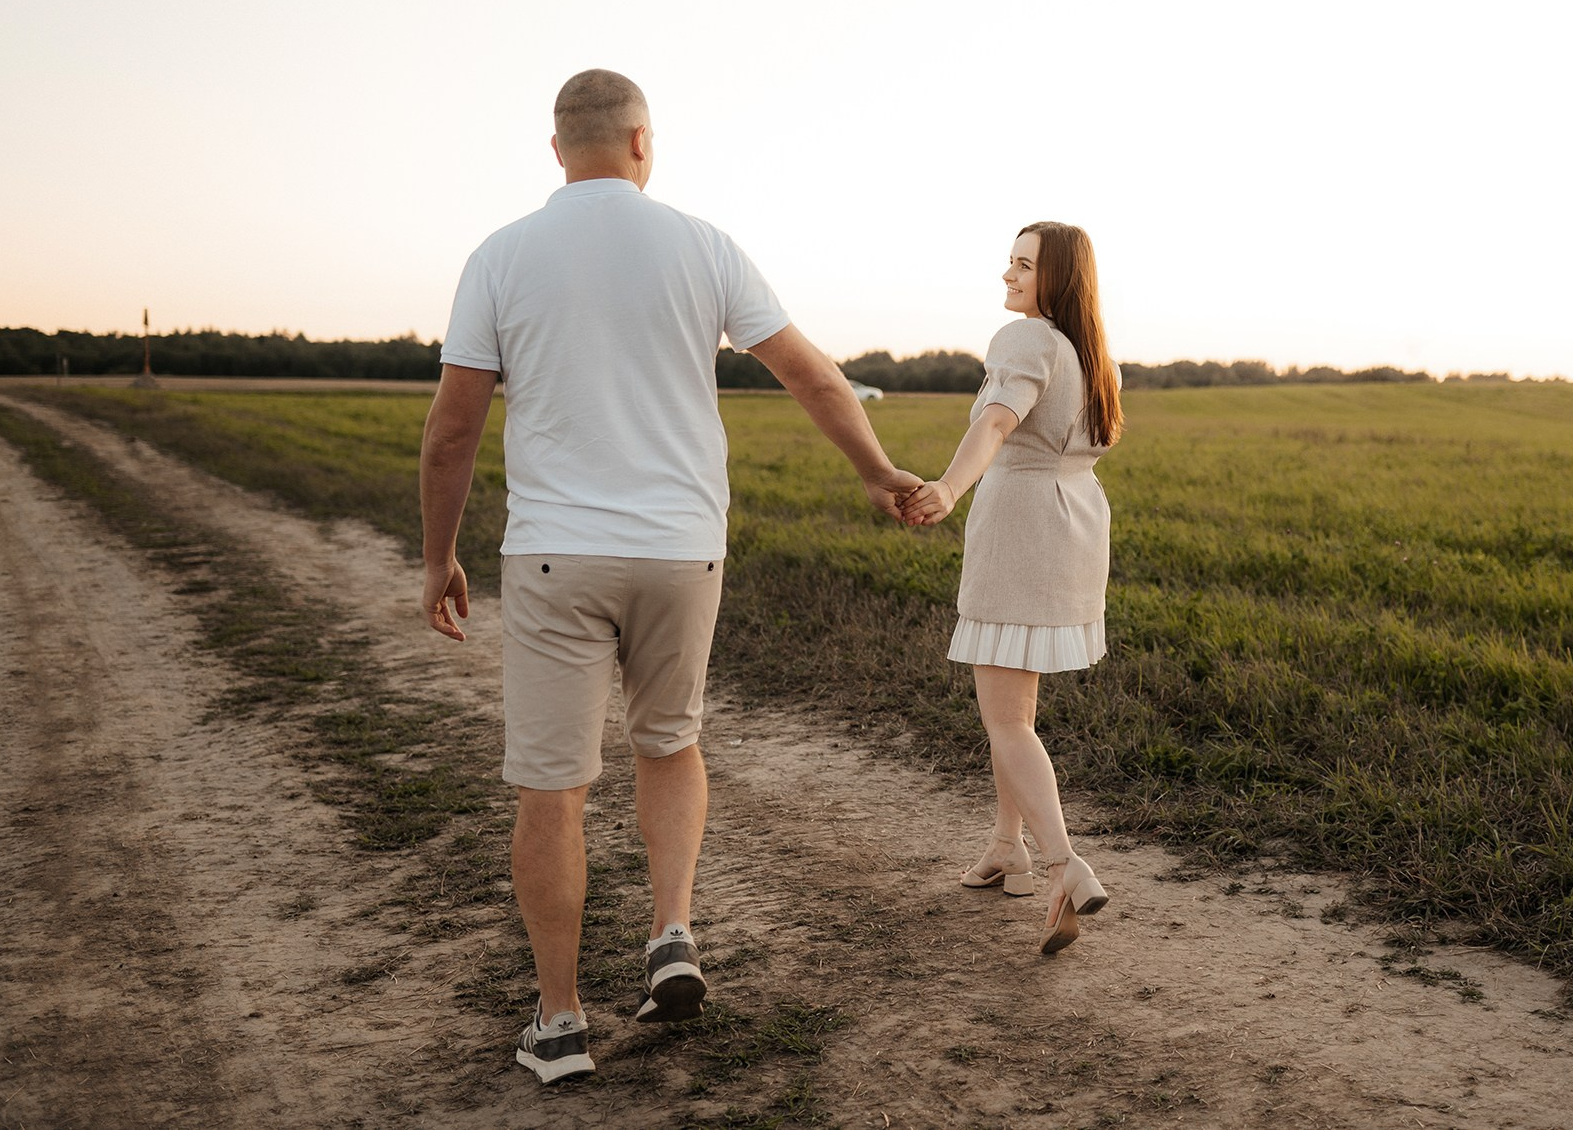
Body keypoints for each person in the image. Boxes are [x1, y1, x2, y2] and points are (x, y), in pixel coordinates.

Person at [418, 69, 920, 1085]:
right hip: (682, 546)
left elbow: (454, 426)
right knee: (670, 739)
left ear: (556, 149)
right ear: (642, 143)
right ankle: (672, 932)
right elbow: (812, 374)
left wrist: (438, 555)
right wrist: (877, 473)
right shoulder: (704, 243)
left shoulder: (500, 254)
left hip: (556, 551)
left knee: (550, 785)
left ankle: (559, 1018)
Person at [899, 221, 1123, 954]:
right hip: (1073, 532)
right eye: (1010, 262)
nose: (1007, 276)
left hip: (1019, 532)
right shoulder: (1093, 356)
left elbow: (996, 422)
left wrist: (949, 486)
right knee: (1017, 708)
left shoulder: (1025, 341)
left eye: (1023, 266)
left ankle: (1063, 863)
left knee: (1005, 718)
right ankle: (1007, 847)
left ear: (1055, 278)